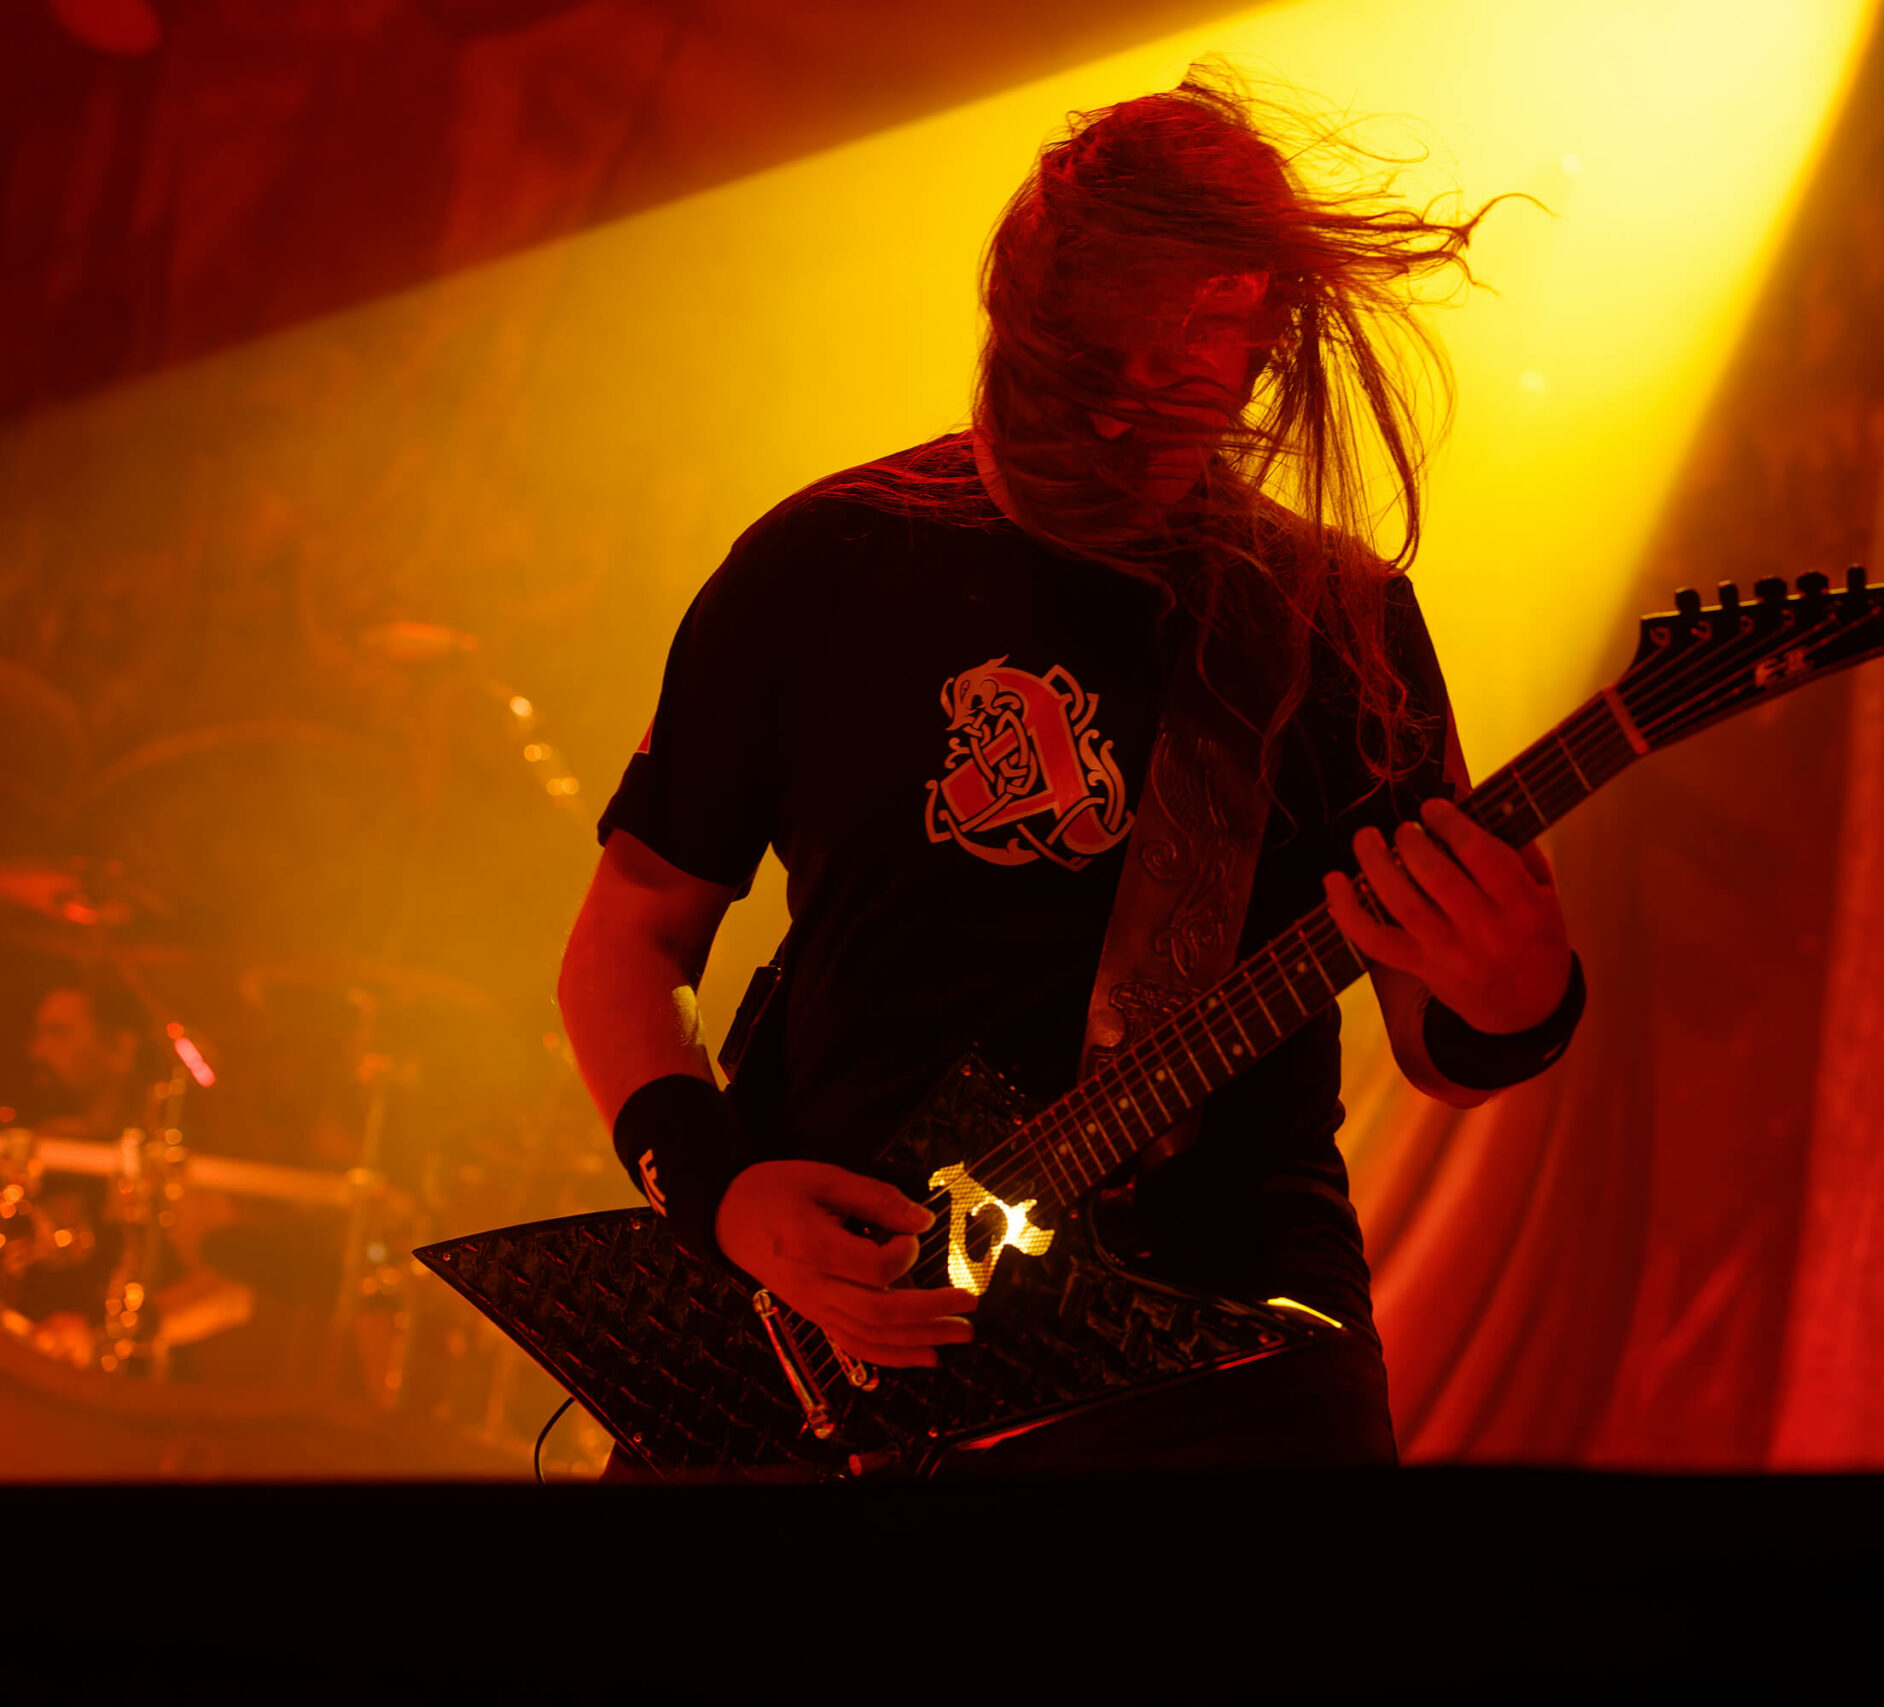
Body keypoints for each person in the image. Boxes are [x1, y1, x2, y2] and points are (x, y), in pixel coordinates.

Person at [556, 73, 1582, 1472]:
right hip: (832, 1335)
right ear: (1016, 325)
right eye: (1093, 379)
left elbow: (1436, 1033)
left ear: (1261, 347)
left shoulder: (1325, 617)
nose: (1118, 429)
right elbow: (628, 938)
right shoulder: (817, 566)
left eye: (1184, 382)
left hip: (1223, 1349)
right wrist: (723, 1196)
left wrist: (1519, 999)